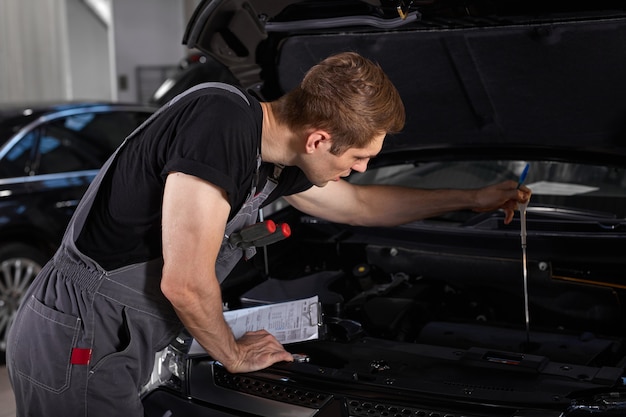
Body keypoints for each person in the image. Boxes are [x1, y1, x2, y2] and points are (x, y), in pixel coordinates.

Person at [7, 51, 531, 416]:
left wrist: (472, 197)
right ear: (319, 137)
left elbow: (359, 205)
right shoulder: (221, 123)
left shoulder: (274, 159)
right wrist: (233, 355)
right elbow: (184, 283)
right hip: (79, 333)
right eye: (359, 158)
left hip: (116, 335)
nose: (364, 169)